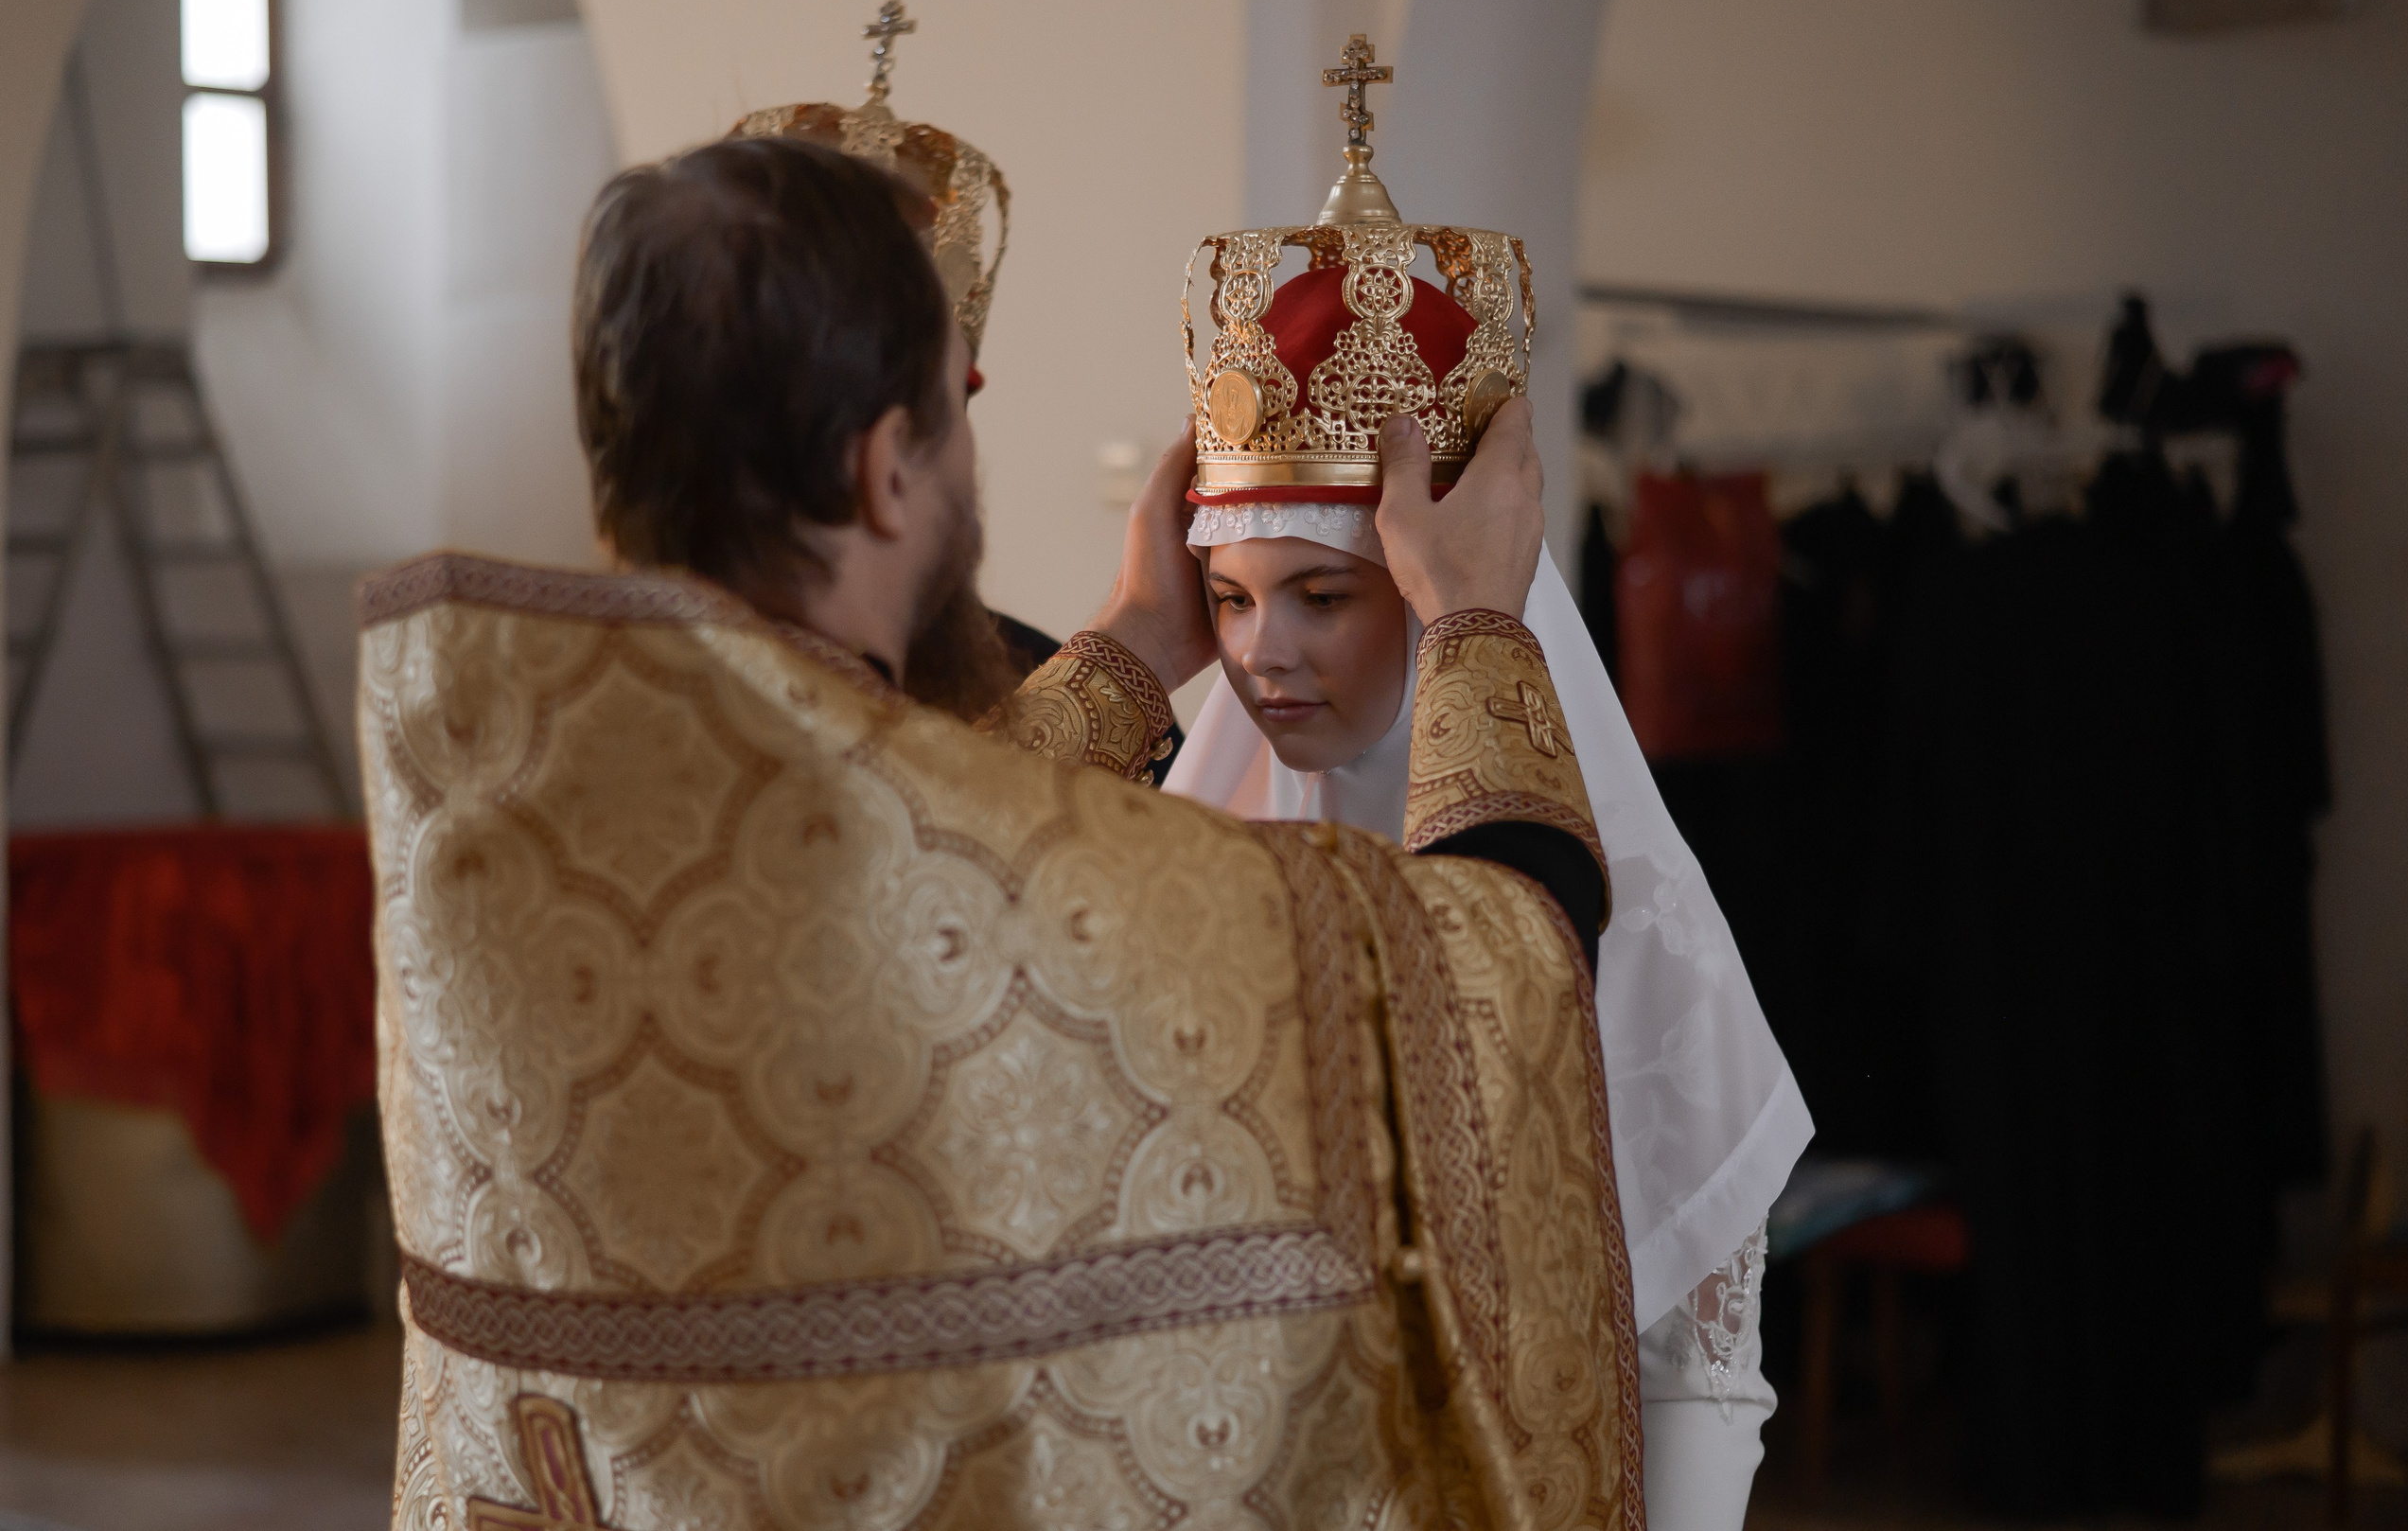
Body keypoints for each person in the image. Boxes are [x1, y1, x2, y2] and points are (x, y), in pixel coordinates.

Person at [364, 134, 1644, 1528]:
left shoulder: (468, 838)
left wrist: (1137, 647)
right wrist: (1469, 620)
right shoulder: (1035, 907)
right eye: (954, 415)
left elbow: (891, 803)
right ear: (885, 473)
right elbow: (1495, 983)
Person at [1168, 460, 1813, 1531]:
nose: (1258, 653)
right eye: (1228, 598)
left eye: (1322, 596)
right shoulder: (1189, 879)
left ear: (1435, 604)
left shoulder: (1628, 911)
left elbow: (1693, 1372)